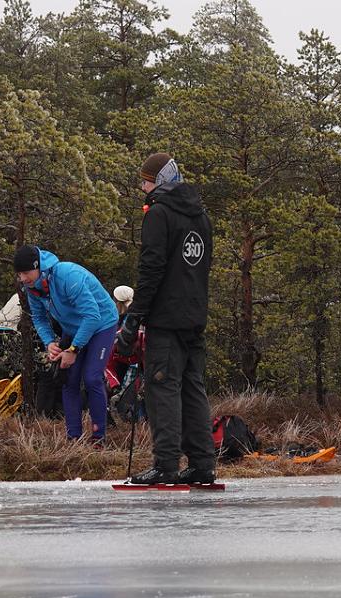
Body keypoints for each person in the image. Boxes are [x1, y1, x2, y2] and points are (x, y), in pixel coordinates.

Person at [115, 152, 216, 485]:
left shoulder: (159, 214)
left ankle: (166, 464)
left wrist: (134, 318)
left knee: (163, 389)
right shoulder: (201, 216)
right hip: (194, 317)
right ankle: (202, 464)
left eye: (145, 181)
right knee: (192, 388)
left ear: (158, 182)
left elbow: (151, 270)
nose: (143, 188)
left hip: (166, 320)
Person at [15, 244, 120, 443]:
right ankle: (74, 438)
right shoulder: (32, 288)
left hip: (101, 324)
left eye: (26, 272)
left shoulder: (67, 276)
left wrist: (73, 349)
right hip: (72, 329)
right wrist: (49, 343)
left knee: (91, 378)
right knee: (67, 379)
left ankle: (99, 438)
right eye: (19, 274)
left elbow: (92, 316)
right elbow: (38, 317)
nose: (23, 279)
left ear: (38, 267)